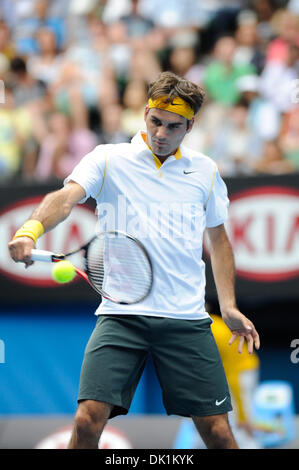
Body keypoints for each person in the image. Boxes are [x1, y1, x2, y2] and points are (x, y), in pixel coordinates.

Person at [8, 71, 260, 450]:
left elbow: (220, 241)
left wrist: (229, 305)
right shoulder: (109, 159)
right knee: (88, 418)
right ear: (145, 113)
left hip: (186, 318)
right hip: (121, 315)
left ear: (189, 126)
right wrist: (30, 228)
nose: (161, 133)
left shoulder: (205, 171)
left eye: (173, 126)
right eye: (155, 121)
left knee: (219, 433)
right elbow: (66, 197)